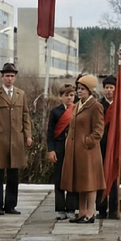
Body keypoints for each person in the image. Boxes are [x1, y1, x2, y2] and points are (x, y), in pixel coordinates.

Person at [0, 63, 33, 216]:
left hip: (16, 140)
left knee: (13, 174)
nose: (9, 79)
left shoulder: (20, 94)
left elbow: (25, 116)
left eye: (12, 76)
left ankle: (10, 205)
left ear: (15, 78)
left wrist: (28, 135)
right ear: (2, 77)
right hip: (0, 140)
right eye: (7, 76)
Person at [61, 76, 105, 224]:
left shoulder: (95, 106)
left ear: (90, 90)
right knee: (80, 182)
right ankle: (81, 212)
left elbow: (98, 131)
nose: (79, 91)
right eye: (78, 88)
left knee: (90, 183)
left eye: (82, 89)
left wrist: (87, 142)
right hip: (75, 151)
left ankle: (90, 213)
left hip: (88, 152)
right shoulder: (77, 105)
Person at [47, 85, 78, 221]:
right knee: (59, 177)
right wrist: (51, 149)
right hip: (59, 147)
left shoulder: (77, 110)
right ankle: (60, 208)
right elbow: (50, 133)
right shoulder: (55, 112)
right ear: (61, 97)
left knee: (72, 177)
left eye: (71, 95)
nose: (69, 98)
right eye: (66, 95)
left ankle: (71, 208)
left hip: (73, 147)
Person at [98, 75, 120, 219]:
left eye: (112, 88)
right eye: (107, 88)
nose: (109, 91)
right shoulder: (98, 105)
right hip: (101, 145)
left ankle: (113, 210)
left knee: (113, 176)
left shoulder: (120, 106)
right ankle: (101, 209)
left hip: (115, 146)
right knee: (101, 176)